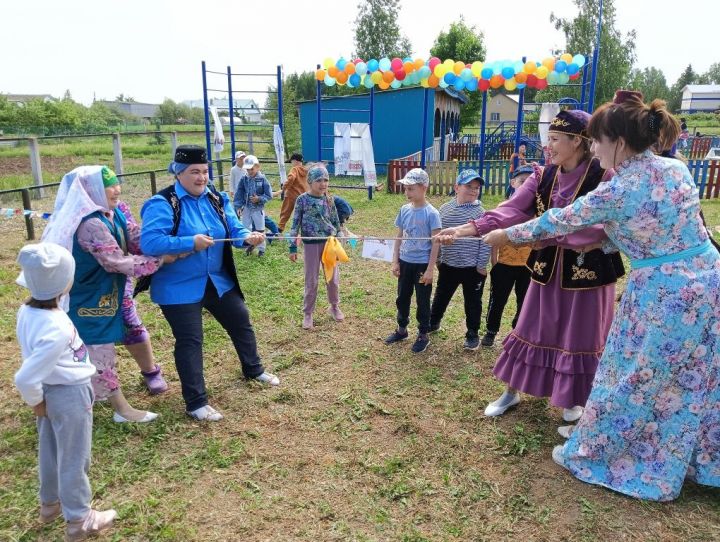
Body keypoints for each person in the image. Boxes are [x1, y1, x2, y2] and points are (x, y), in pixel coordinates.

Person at [482, 90, 719, 501]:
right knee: (693, 376)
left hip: (666, 295)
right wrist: (605, 243)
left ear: (619, 144)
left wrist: (506, 235)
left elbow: (558, 221)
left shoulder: (618, 189)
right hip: (708, 280)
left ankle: (600, 453)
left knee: (631, 376)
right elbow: (656, 226)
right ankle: (697, 458)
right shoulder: (674, 170)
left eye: (597, 140)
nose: (593, 147)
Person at [437, 110, 624, 421]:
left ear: (577, 141)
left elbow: (609, 227)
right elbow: (509, 211)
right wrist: (463, 230)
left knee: (582, 338)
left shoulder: (604, 176)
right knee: (530, 329)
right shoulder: (542, 175)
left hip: (589, 273)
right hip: (546, 269)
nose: (547, 146)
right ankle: (511, 392)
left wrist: (528, 236)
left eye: (553, 139)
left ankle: (573, 401)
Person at [141, 145, 279, 422]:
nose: (201, 178)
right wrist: (189, 242)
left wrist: (246, 237)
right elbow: (150, 242)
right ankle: (196, 402)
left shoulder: (216, 197)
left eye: (204, 171)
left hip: (217, 280)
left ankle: (253, 369)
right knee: (191, 340)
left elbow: (231, 226)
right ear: (178, 173)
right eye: (194, 172)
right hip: (178, 287)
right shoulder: (162, 203)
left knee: (241, 320)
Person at [42, 165, 164, 423]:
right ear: (90, 190)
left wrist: (166, 241)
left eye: (116, 182)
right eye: (108, 185)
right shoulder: (90, 223)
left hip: (111, 291)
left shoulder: (111, 212)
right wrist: (162, 259)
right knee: (97, 346)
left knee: (127, 329)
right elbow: (115, 262)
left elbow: (132, 235)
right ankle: (121, 408)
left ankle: (145, 374)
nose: (116, 188)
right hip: (88, 295)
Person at [14, 243, 117, 540]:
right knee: (75, 457)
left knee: (50, 451)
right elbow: (25, 377)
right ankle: (80, 519)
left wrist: (40, 399)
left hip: (51, 390)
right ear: (64, 282)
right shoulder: (56, 327)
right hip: (69, 395)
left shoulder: (27, 311)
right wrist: (36, 402)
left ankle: (50, 505)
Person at [428, 169, 491, 350]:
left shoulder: (482, 213)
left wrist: (481, 265)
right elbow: (437, 237)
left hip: (472, 268)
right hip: (448, 265)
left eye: (477, 188)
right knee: (441, 296)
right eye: (469, 186)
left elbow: (486, 242)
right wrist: (439, 260)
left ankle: (472, 333)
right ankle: (433, 322)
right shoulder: (444, 210)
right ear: (456, 187)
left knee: (473, 302)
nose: (473, 190)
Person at [384, 168, 442, 353]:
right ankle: (402, 329)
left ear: (424, 188)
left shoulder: (432, 213)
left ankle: (423, 333)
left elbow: (436, 243)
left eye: (411, 189)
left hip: (422, 264)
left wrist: (430, 270)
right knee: (402, 297)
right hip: (405, 261)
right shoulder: (404, 210)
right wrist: (395, 261)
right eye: (406, 188)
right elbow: (399, 237)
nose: (407, 192)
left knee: (423, 300)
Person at [481, 165, 534, 347]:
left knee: (525, 302)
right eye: (522, 181)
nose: (526, 185)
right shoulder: (504, 208)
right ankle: (491, 331)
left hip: (528, 266)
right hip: (503, 264)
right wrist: (494, 261)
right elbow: (494, 235)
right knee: (498, 300)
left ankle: (517, 332)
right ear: (513, 183)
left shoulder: (537, 210)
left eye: (530, 182)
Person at [289, 164, 345, 330]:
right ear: (310, 181)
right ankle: (308, 312)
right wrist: (292, 247)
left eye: (326, 180)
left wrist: (340, 236)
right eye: (319, 180)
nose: (323, 184)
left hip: (329, 244)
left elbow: (335, 221)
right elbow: (294, 225)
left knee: (332, 279)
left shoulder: (329, 199)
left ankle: (334, 306)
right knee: (311, 280)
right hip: (311, 245)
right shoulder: (302, 200)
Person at [233, 154, 273, 256]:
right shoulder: (244, 179)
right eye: (248, 169)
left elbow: (269, 195)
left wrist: (259, 199)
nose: (250, 172)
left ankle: (261, 249)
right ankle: (250, 245)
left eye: (252, 169)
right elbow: (239, 192)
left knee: (260, 229)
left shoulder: (263, 179)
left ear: (257, 167)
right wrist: (238, 206)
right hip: (246, 207)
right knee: (246, 228)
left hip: (257, 209)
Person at [279, 153, 309, 232]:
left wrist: (284, 188)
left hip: (291, 195)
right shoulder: (306, 171)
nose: (291, 163)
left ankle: (279, 228)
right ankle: (304, 231)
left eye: (291, 161)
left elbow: (291, 178)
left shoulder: (294, 169)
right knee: (302, 215)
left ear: (295, 161)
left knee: (285, 212)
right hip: (303, 196)